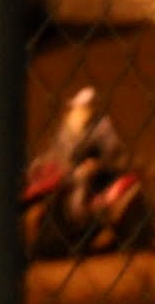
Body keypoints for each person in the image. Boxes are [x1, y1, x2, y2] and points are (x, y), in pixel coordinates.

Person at [37, 87, 127, 220]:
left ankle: (79, 217)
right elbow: (57, 148)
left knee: (80, 180)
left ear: (91, 108)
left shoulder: (102, 126)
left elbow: (112, 151)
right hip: (66, 167)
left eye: (84, 106)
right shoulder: (68, 126)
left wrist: (96, 163)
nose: (80, 109)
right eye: (78, 106)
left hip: (96, 169)